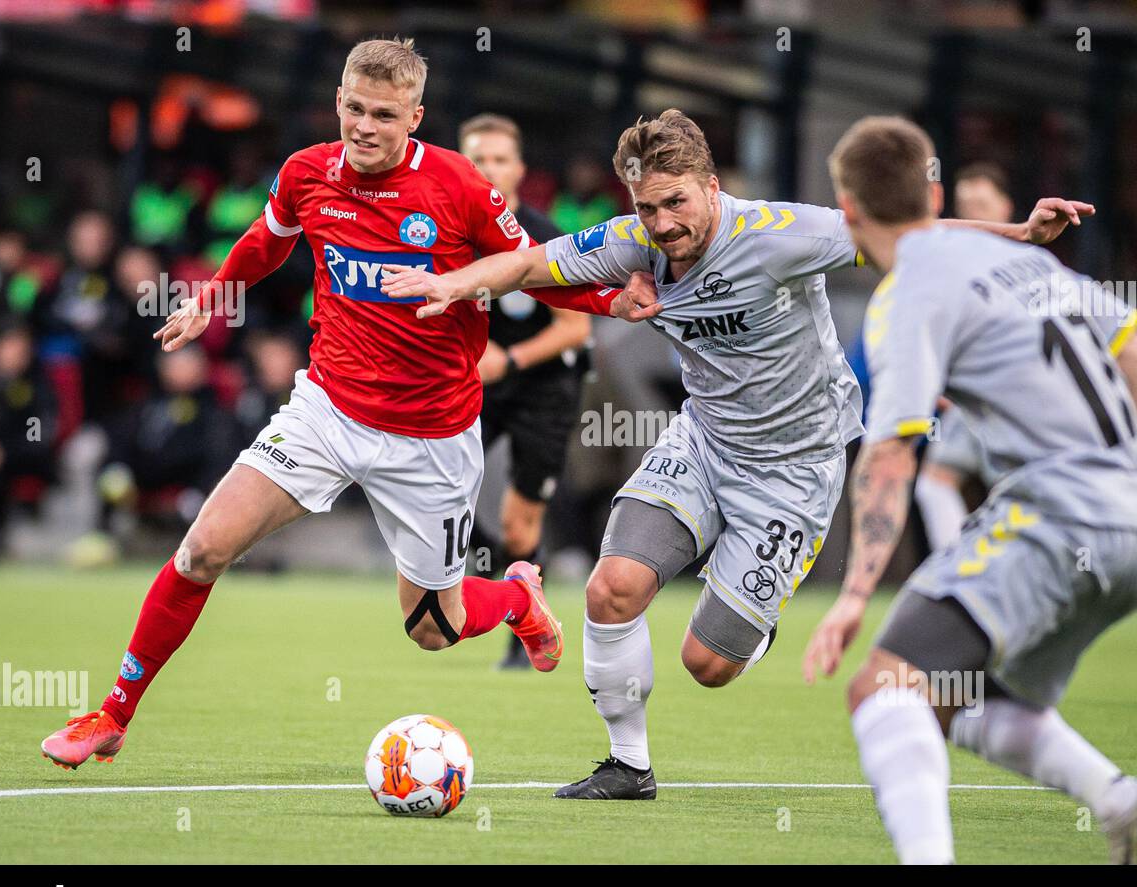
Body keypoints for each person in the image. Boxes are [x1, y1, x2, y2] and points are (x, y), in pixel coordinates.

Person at [380, 108, 1093, 800]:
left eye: (676, 203)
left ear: (713, 188)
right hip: (704, 440)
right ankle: (628, 766)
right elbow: (532, 264)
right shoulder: (635, 240)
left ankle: (756, 614)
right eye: (648, 207)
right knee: (611, 587)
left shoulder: (782, 233)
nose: (662, 223)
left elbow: (909, 234)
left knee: (708, 664)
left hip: (795, 468)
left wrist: (1020, 233)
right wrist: (451, 284)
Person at [39, 37, 651, 770]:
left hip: (430, 436)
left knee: (432, 628)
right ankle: (113, 713)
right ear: (338, 102)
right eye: (354, 108)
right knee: (202, 547)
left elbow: (531, 270)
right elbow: (269, 241)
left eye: (384, 115)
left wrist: (613, 297)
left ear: (414, 118)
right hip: (325, 411)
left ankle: (517, 598)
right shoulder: (308, 172)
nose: (364, 126)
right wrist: (212, 298)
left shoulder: (459, 189)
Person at [803, 116, 1137, 864]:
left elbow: (892, 454)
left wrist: (855, 593)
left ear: (850, 208)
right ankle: (1127, 804)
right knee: (958, 696)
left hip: (1058, 520)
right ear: (932, 195)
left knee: (882, 689)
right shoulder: (1027, 264)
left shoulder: (905, 293)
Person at [459, 114, 592, 670]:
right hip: (478, 381)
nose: (488, 169)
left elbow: (575, 328)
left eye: (499, 159)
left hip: (544, 384)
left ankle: (523, 629)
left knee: (518, 520)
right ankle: (464, 590)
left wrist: (507, 359)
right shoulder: (450, 235)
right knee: (446, 491)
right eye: (477, 160)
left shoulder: (545, 237)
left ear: (518, 169)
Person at [914, 163, 1016, 551]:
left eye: (983, 204)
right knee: (933, 484)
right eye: (965, 205)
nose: (973, 214)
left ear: (1006, 209)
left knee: (1018, 493)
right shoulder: (944, 265)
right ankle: (959, 570)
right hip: (963, 405)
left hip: (1012, 404)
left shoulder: (1017, 267)